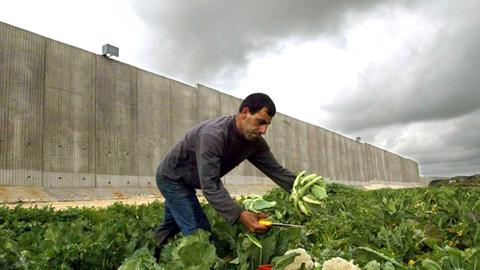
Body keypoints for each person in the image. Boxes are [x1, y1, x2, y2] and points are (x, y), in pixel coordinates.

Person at [153, 93, 296, 247]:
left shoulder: (254, 142)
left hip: (190, 180)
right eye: (260, 122)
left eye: (267, 124)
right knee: (200, 233)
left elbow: (277, 172)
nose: (263, 130)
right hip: (173, 178)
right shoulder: (213, 135)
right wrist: (240, 215)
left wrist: (306, 190)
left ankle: (148, 253)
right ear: (245, 112)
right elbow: (210, 185)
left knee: (171, 225)